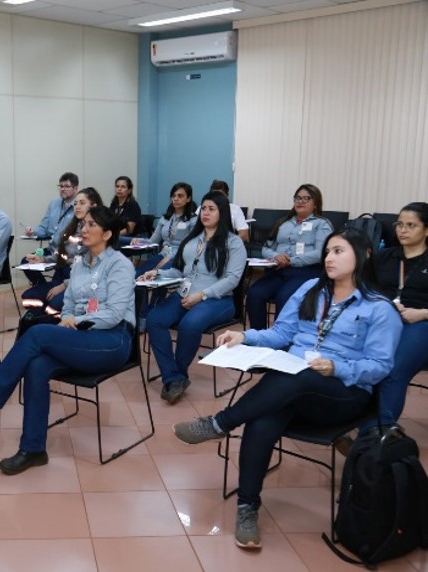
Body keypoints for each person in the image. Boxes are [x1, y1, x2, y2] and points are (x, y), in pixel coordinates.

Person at [172, 227, 401, 550]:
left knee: (300, 376)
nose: (329, 258)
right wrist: (245, 337)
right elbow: (281, 333)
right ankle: (247, 507)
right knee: (265, 416)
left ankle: (220, 423)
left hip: (343, 394)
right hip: (293, 387)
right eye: (327, 252)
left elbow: (380, 366)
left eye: (338, 251)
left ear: (363, 256)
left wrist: (337, 366)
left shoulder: (378, 308)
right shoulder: (311, 289)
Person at [0, 206, 134, 475]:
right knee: (37, 366)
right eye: (84, 224)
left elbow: (114, 314)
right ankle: (33, 449)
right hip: (81, 337)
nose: (84, 229)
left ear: (108, 233)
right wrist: (70, 319)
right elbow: (67, 306)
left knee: (36, 333)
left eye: (91, 225)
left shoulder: (120, 265)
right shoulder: (79, 265)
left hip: (113, 341)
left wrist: (76, 322)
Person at [143, 191, 246, 404]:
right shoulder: (192, 241)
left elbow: (232, 280)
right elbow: (179, 272)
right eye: (204, 209)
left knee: (189, 325)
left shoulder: (234, 243)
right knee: (154, 319)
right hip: (185, 294)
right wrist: (158, 273)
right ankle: (174, 378)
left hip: (219, 300)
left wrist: (202, 295)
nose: (205, 213)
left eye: (211, 209)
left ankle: (176, 376)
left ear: (223, 213)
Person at [357, 202, 428, 435]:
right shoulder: (384, 257)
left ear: (426, 230)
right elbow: (363, 289)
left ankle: (375, 435)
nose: (402, 230)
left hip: (420, 322)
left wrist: (423, 313)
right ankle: (350, 418)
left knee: (392, 369)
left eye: (411, 225)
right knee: (354, 356)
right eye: (399, 224)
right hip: (383, 319)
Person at [245, 184, 333, 330]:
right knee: (255, 294)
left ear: (315, 204)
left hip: (306, 272)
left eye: (306, 198)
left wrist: (291, 261)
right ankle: (259, 338)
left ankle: (281, 343)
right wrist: (277, 256)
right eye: (298, 198)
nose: (300, 201)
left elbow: (321, 253)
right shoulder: (283, 222)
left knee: (284, 297)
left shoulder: (321, 224)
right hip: (279, 270)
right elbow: (266, 248)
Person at [21, 187, 103, 315]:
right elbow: (61, 254)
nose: (77, 207)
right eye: (75, 203)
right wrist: (42, 259)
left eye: (82, 203)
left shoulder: (98, 233)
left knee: (54, 304)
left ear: (94, 206)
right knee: (29, 297)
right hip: (62, 276)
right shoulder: (72, 227)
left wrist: (63, 286)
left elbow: (92, 273)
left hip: (80, 283)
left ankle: (58, 324)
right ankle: (43, 322)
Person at [21, 172, 78, 285]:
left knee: (64, 276)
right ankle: (42, 287)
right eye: (61, 186)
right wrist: (33, 232)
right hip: (52, 250)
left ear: (76, 188)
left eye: (67, 186)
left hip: (67, 253)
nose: (63, 189)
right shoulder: (54, 204)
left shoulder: (79, 206)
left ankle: (50, 290)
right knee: (26, 261)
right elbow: (44, 227)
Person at [135, 182, 197, 275]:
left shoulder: (193, 220)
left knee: (159, 275)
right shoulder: (165, 218)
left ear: (188, 199)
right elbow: (153, 241)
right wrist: (138, 241)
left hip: (181, 257)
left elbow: (191, 247)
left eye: (180, 196)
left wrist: (170, 257)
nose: (175, 199)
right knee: (136, 273)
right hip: (164, 254)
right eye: (173, 196)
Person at [109, 176, 141, 244]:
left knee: (111, 240)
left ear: (129, 190)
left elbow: (129, 230)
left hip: (134, 237)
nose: (119, 189)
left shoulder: (133, 205)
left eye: (123, 187)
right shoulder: (114, 204)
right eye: (117, 186)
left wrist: (113, 235)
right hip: (119, 236)